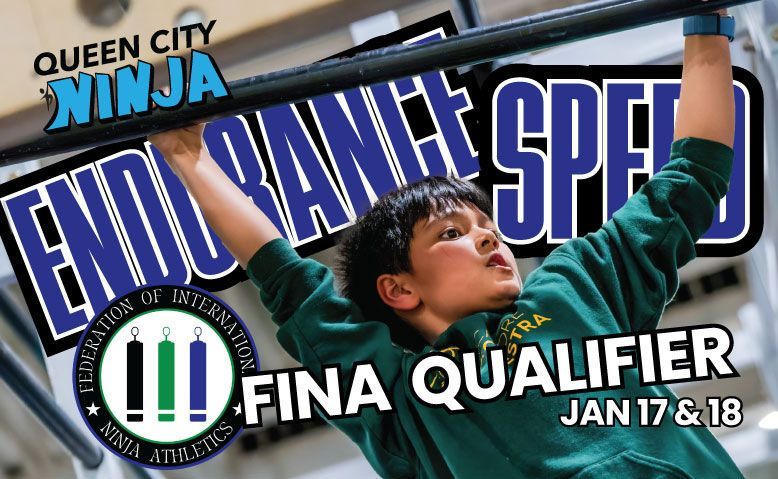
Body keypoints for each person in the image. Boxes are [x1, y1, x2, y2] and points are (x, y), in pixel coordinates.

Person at [149, 10, 743, 478]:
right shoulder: (398, 400)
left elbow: (687, 181)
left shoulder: (574, 288)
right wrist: (187, 157)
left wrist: (706, 22)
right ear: (398, 288)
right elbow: (288, 282)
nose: (489, 236)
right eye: (452, 233)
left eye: (488, 227)